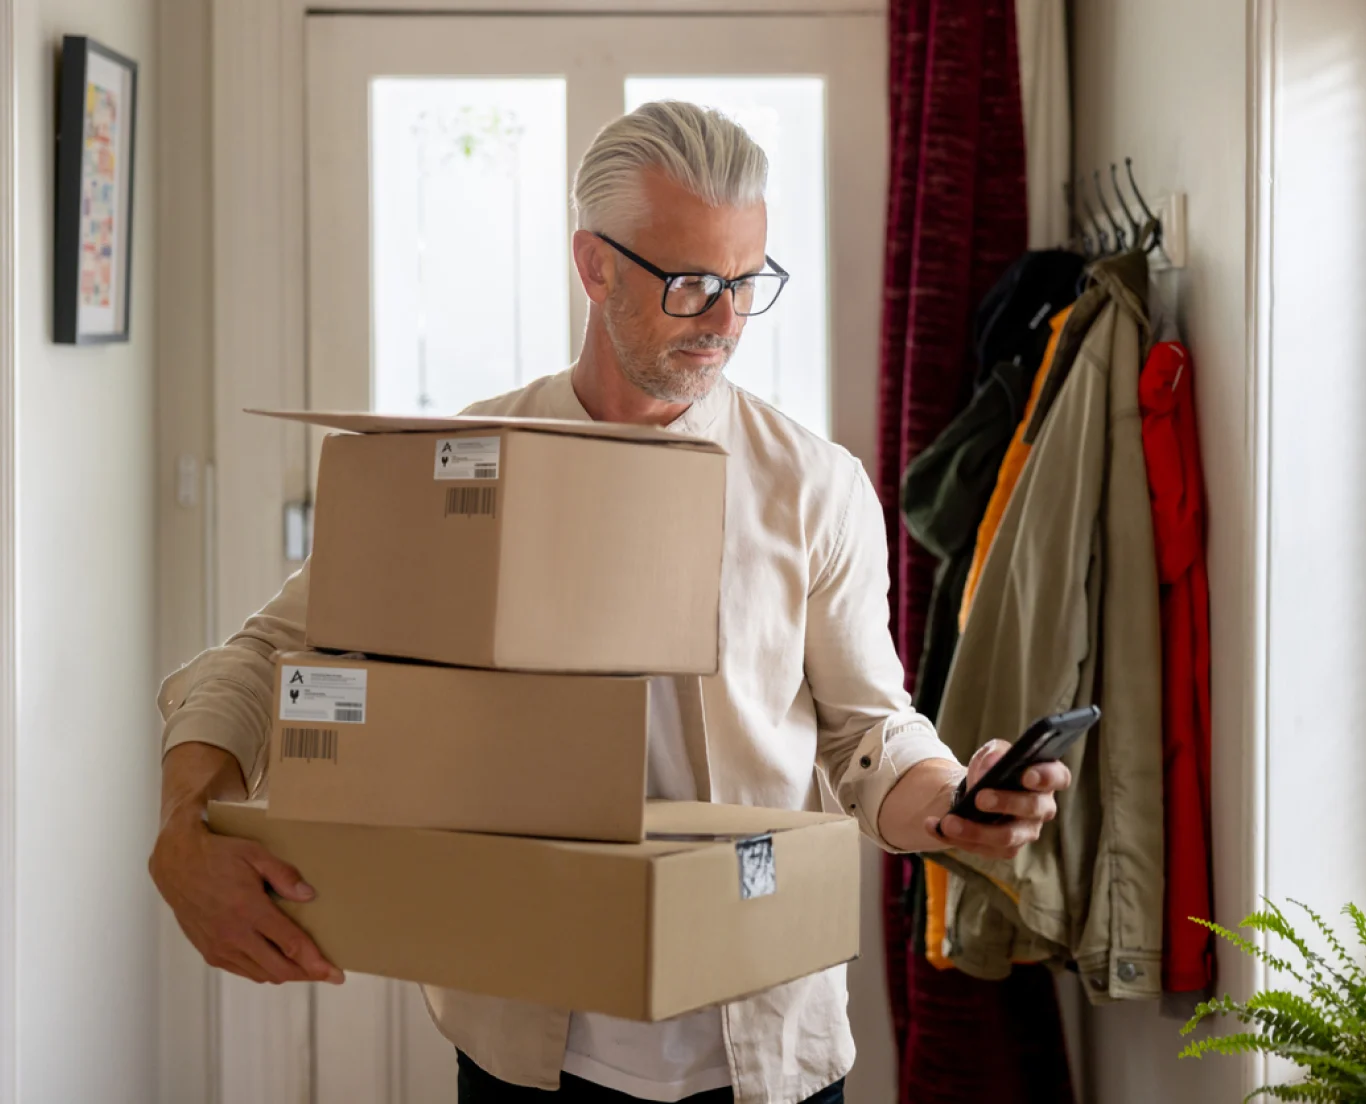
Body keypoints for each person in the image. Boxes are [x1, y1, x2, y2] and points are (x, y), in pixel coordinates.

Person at [150, 101, 1071, 1104]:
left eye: (747, 284)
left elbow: (867, 733)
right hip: (528, 1048)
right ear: (593, 267)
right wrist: (187, 825)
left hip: (764, 1050)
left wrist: (951, 802)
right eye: (692, 285)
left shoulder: (815, 486)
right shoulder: (465, 467)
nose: (726, 322)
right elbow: (264, 656)